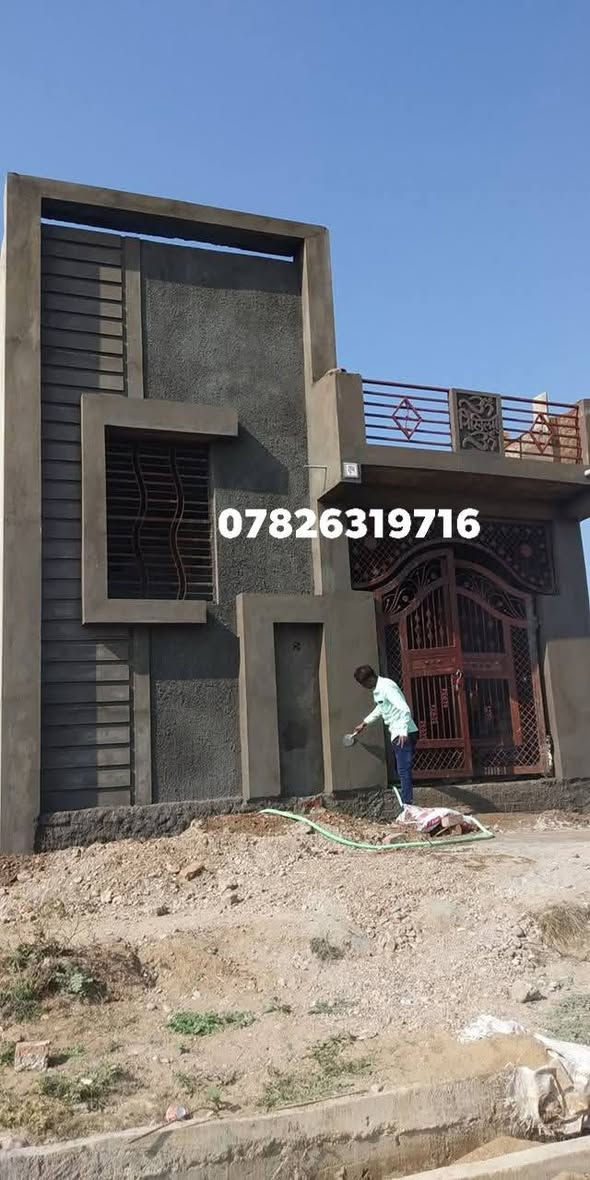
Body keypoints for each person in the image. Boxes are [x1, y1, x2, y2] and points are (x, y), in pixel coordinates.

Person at [352, 665, 419, 805]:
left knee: (403, 770)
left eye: (363, 684)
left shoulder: (387, 687)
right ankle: (407, 802)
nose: (364, 687)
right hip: (398, 732)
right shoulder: (379, 689)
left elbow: (403, 708)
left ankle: (407, 805)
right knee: (401, 769)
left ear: (369, 680)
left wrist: (402, 731)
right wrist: (365, 723)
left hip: (403, 733)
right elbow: (381, 708)